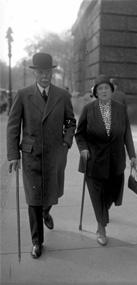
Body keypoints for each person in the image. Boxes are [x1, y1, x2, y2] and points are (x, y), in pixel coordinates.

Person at [7, 52, 76, 259]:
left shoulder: (62, 95)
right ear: (34, 74)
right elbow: (12, 127)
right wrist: (13, 155)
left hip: (55, 154)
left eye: (48, 72)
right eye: (40, 72)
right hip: (32, 155)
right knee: (33, 199)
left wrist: (66, 141)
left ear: (52, 73)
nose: (44, 76)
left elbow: (71, 122)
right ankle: (37, 242)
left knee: (52, 193)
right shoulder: (23, 94)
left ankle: (46, 211)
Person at [75, 74, 137, 246]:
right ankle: (101, 228)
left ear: (112, 91)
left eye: (106, 88)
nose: (103, 91)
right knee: (98, 196)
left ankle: (102, 216)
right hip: (94, 160)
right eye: (100, 89)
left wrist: (132, 155)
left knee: (112, 193)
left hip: (116, 161)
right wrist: (83, 148)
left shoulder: (120, 108)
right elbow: (79, 134)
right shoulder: (89, 109)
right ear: (95, 92)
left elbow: (127, 133)